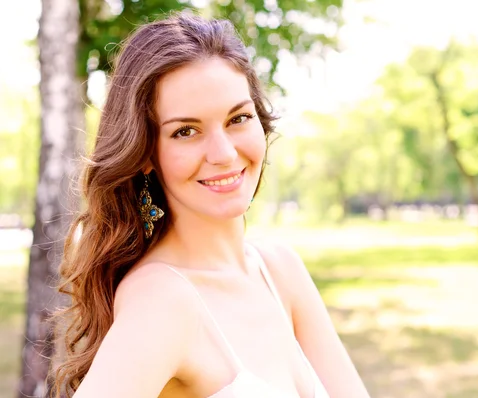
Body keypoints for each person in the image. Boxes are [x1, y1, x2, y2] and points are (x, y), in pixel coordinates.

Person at [50, 12, 371, 398]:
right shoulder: (163, 301)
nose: (223, 153)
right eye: (186, 131)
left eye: (238, 118)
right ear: (146, 152)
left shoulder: (280, 270)